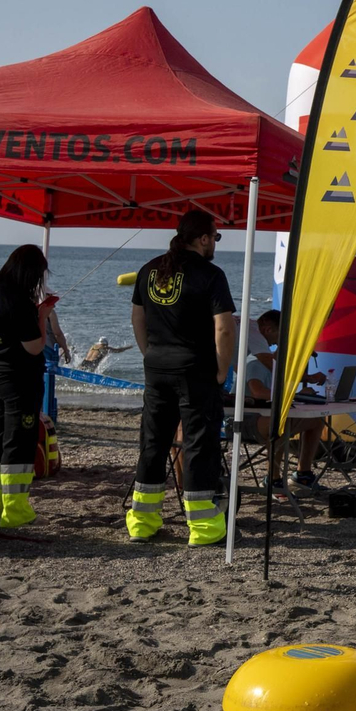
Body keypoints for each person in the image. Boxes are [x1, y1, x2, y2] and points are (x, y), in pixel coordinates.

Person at [128, 209, 235, 545]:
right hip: (195, 370)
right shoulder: (211, 274)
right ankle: (204, 528)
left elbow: (137, 319)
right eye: (215, 236)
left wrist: (150, 354)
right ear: (202, 238)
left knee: (153, 443)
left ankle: (141, 523)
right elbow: (224, 328)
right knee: (198, 444)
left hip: (157, 368)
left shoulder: (148, 270)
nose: (215, 243)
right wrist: (222, 368)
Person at [0, 245, 55, 529]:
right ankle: (16, 510)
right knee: (19, 442)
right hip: (18, 378)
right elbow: (34, 347)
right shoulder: (18, 299)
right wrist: (42, 317)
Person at [240, 310, 328, 498]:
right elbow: (258, 392)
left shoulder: (272, 363)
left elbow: (283, 381)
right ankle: (273, 478)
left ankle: (303, 474)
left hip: (265, 416)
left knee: (316, 421)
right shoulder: (254, 361)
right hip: (246, 418)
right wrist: (295, 395)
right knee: (278, 423)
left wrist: (305, 382)